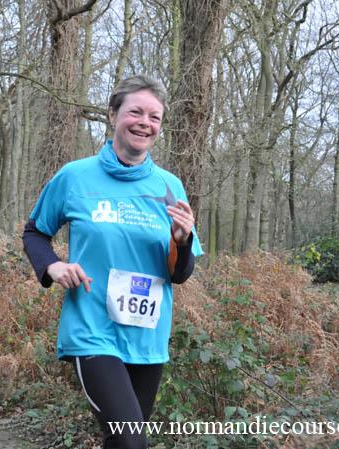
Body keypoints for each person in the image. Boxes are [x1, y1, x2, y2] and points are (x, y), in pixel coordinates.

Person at [22, 75, 203, 449]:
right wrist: (53, 266)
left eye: (154, 117)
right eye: (135, 112)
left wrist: (182, 242)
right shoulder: (75, 176)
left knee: (123, 442)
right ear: (112, 115)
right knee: (130, 441)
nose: (144, 123)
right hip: (93, 329)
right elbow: (35, 233)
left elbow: (180, 274)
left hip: (147, 335)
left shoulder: (170, 186)